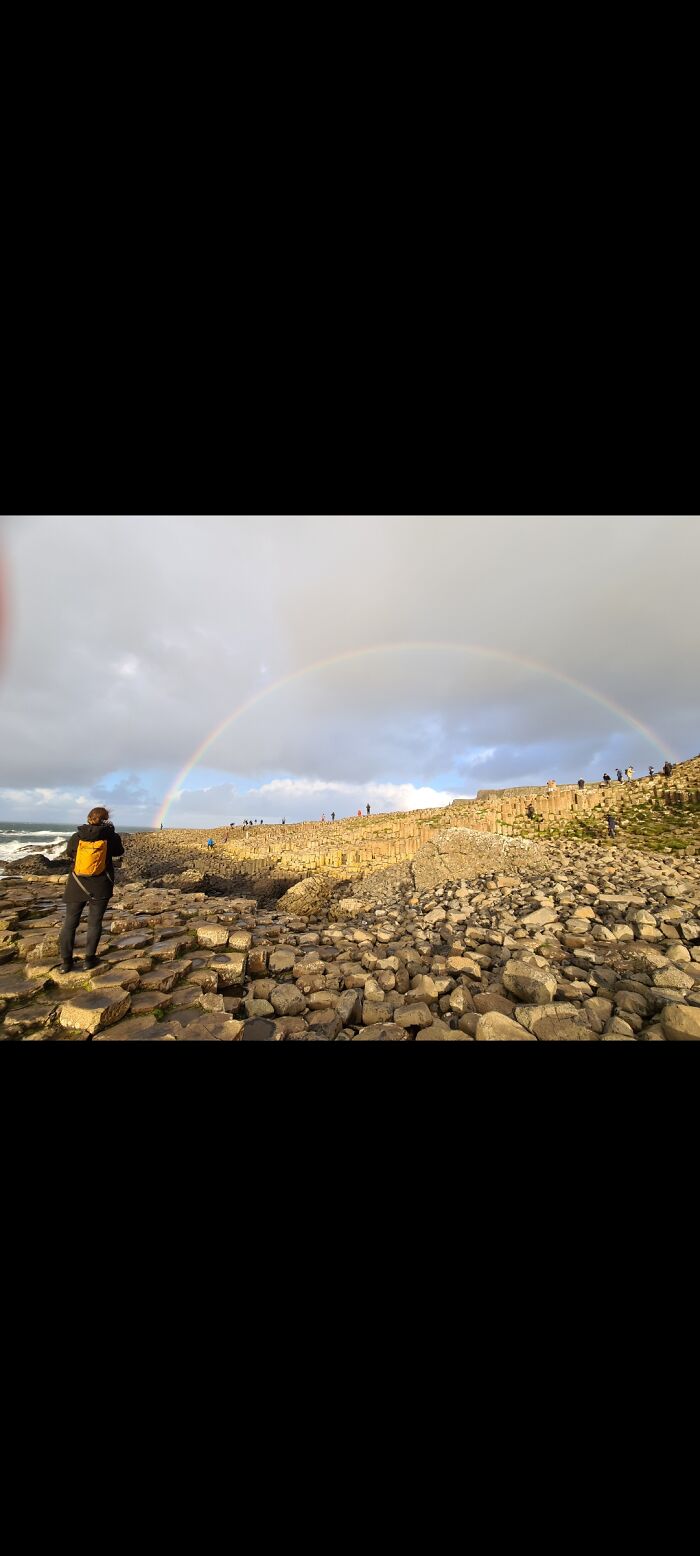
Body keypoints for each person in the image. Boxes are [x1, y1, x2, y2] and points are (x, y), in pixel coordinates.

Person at [59, 805, 124, 972]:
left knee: (69, 923)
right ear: (106, 819)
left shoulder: (77, 835)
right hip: (101, 883)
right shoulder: (110, 836)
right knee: (95, 922)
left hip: (77, 882)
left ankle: (66, 963)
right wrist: (111, 833)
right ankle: (89, 960)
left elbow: (69, 853)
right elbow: (119, 852)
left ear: (89, 818)